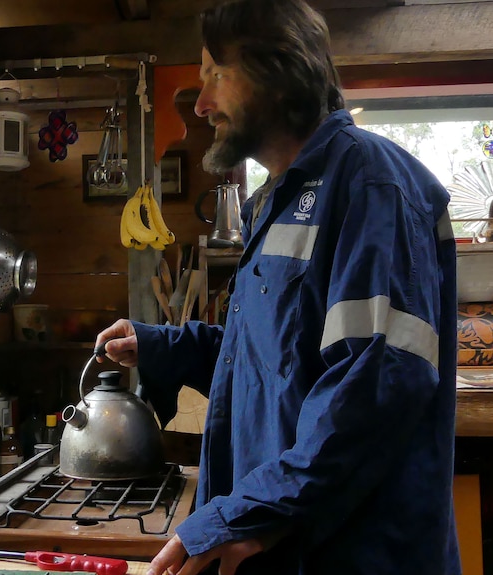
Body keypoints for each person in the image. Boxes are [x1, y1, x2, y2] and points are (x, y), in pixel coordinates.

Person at [96, 1, 459, 574]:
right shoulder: (279, 199)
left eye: (217, 74)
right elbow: (273, 358)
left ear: (279, 71)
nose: (201, 102)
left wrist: (252, 512)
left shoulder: (371, 183)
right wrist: (164, 345)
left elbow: (375, 383)